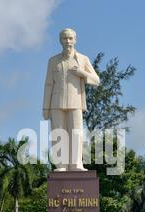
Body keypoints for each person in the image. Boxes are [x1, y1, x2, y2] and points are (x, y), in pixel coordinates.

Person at [42, 28, 100, 171]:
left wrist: (82, 73)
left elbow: (96, 80)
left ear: (75, 40)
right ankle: (61, 165)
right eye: (64, 38)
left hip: (76, 102)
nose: (67, 41)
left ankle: (76, 163)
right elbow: (48, 84)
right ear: (60, 40)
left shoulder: (83, 59)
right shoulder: (53, 61)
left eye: (70, 38)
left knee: (76, 133)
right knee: (58, 133)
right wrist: (45, 107)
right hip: (56, 102)